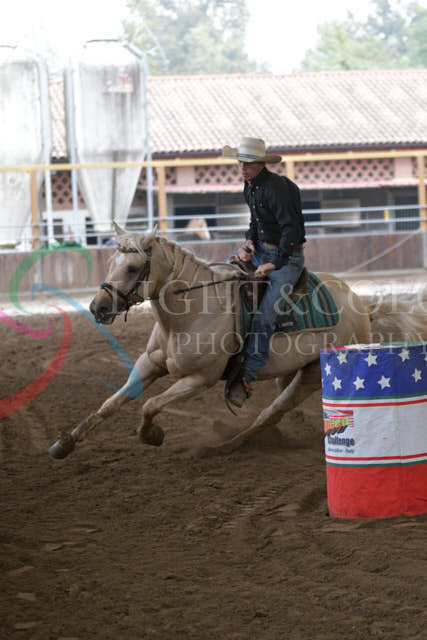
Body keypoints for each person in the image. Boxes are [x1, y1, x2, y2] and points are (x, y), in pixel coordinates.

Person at [222, 137, 306, 407]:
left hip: (288, 257)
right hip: (261, 251)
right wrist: (248, 244)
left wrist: (276, 263)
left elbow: (292, 229)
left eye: (247, 164)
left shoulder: (277, 189)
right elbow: (255, 223)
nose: (242, 168)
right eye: (240, 163)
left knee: (265, 314)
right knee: (221, 275)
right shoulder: (250, 187)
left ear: (261, 164)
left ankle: (248, 373)